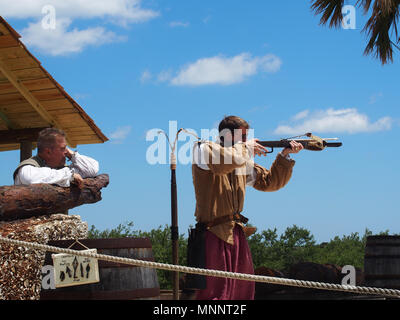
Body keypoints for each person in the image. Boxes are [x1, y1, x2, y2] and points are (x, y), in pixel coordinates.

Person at [190, 115, 303, 300]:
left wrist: (284, 156)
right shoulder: (203, 149)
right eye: (242, 137)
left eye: (246, 137)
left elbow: (269, 182)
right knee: (216, 293)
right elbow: (222, 164)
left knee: (241, 292)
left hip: (235, 232)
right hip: (213, 233)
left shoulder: (240, 159)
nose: (246, 141)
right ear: (226, 135)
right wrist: (245, 149)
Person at [13, 128, 99, 189]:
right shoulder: (29, 167)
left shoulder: (62, 169)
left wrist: (71, 155)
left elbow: (92, 169)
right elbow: (29, 178)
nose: (66, 151)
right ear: (48, 152)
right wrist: (69, 176)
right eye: (63, 148)